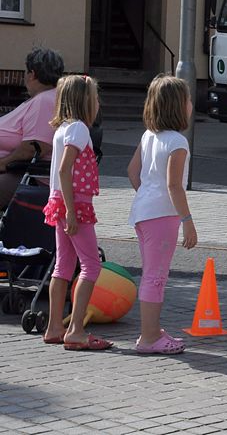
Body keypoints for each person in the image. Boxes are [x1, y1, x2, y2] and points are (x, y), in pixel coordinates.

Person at [127, 75, 197, 354]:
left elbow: (133, 171)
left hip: (143, 212)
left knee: (150, 274)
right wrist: (188, 222)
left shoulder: (148, 136)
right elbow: (174, 186)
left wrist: (146, 196)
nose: (191, 104)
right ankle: (149, 337)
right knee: (156, 277)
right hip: (162, 216)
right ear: (178, 107)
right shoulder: (177, 142)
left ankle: (151, 331)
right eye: (188, 100)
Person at [41, 75, 112, 351]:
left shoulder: (62, 129)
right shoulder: (80, 130)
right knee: (91, 265)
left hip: (59, 201)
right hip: (75, 205)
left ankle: (54, 326)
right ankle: (77, 330)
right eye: (95, 98)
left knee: (63, 266)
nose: (98, 104)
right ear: (84, 101)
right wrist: (72, 211)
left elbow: (60, 171)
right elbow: (64, 169)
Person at [0, 48, 64, 208]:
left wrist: (3, 162)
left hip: (20, 174)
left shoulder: (45, 101)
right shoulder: (42, 98)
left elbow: (34, 147)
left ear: (32, 74)